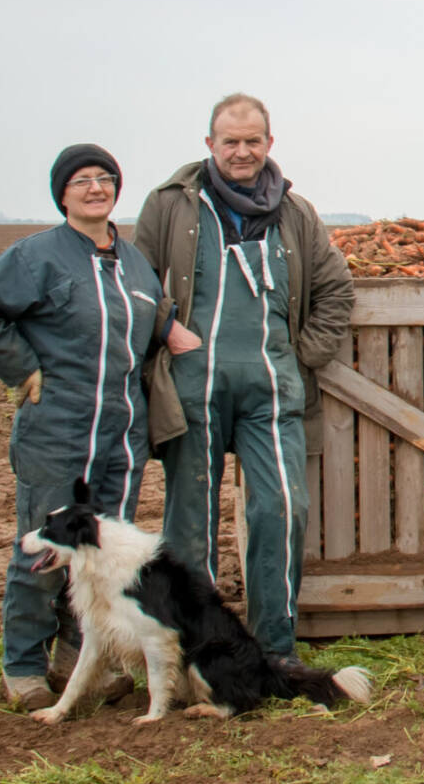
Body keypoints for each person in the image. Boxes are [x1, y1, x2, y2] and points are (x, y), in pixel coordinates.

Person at [0, 144, 177, 711]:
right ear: (63, 194)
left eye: (105, 179)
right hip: (58, 429)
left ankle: (80, 663)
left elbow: (153, 322)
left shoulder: (134, 263)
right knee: (44, 551)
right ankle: (24, 667)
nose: (96, 188)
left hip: (121, 435)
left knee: (100, 558)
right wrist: (21, 365)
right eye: (82, 181)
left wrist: (175, 332)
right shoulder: (39, 256)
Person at [134, 93, 354, 660]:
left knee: (282, 506)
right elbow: (135, 285)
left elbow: (335, 288)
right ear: (209, 145)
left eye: (252, 140)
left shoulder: (295, 213)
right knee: (190, 523)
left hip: (272, 390)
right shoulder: (172, 207)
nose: (242, 151)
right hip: (192, 388)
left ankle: (274, 649)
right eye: (230, 141)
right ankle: (202, 653)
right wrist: (165, 329)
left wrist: (303, 354)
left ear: (269, 144)